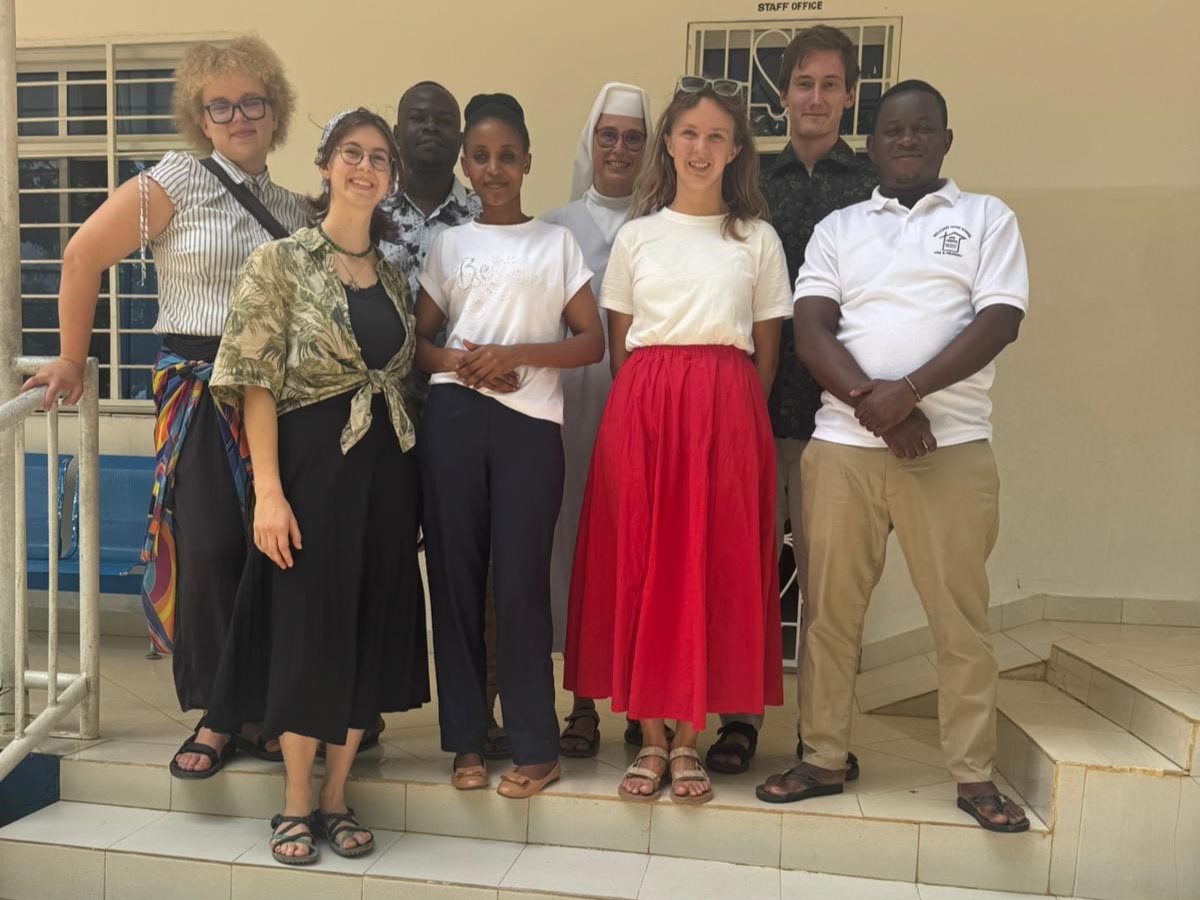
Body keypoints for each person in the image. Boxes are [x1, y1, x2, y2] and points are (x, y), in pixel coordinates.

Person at [21, 36, 306, 776]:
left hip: (276, 395)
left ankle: (264, 708)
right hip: (199, 389)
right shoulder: (174, 180)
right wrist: (73, 358)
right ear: (200, 118)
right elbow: (81, 255)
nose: (239, 117)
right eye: (221, 106)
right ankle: (217, 716)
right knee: (208, 549)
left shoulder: (293, 208)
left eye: (253, 103)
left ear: (275, 113)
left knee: (269, 552)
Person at [756, 81, 1030, 835]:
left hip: (950, 449)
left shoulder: (986, 218)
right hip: (843, 449)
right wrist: (877, 409)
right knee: (829, 614)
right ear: (872, 145)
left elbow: (999, 321)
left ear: (946, 140)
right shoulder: (840, 228)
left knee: (959, 620)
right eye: (893, 130)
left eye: (922, 128)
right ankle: (822, 757)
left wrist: (909, 394)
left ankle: (973, 774)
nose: (907, 140)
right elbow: (811, 328)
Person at [205, 108, 429, 863]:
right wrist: (268, 492)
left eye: (379, 158)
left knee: (366, 624)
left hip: (385, 474)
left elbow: (403, 381)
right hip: (309, 469)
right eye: (352, 154)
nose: (366, 168)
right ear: (326, 165)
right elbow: (255, 381)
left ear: (390, 179)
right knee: (307, 630)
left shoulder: (392, 275)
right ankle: (296, 801)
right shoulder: (279, 262)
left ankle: (337, 796)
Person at [565, 77, 791, 805]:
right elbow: (620, 348)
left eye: (716, 136)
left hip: (727, 413)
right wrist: (660, 405)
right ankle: (650, 736)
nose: (701, 148)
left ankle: (689, 737)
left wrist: (723, 415)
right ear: (668, 142)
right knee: (644, 561)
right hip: (645, 411)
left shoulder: (757, 239)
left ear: (736, 150)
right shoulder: (638, 236)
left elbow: (766, 356)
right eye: (689, 133)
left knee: (706, 564)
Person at [415, 93, 605, 799]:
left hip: (531, 428)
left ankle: (535, 744)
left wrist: (516, 355)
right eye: (481, 157)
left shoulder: (556, 244)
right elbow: (418, 344)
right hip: (454, 420)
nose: (493, 168)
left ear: (527, 162)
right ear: (466, 166)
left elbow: (591, 341)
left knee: (522, 585)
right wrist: (461, 365)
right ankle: (467, 740)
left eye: (507, 156)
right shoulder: (449, 244)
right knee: (456, 582)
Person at [711, 25, 876, 777]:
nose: (815, 97)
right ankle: (738, 720)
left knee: (828, 588)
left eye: (829, 84)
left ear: (850, 95)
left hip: (842, 420)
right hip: (754, 410)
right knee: (745, 575)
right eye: (803, 83)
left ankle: (821, 735)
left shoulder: (873, 186)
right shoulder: (747, 187)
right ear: (783, 95)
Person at [541, 82, 653, 759]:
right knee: (573, 547)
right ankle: (581, 703)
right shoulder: (555, 226)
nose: (619, 149)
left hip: (644, 405)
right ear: (591, 141)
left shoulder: (666, 223)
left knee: (641, 548)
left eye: (634, 137)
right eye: (607, 135)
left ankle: (643, 699)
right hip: (572, 407)